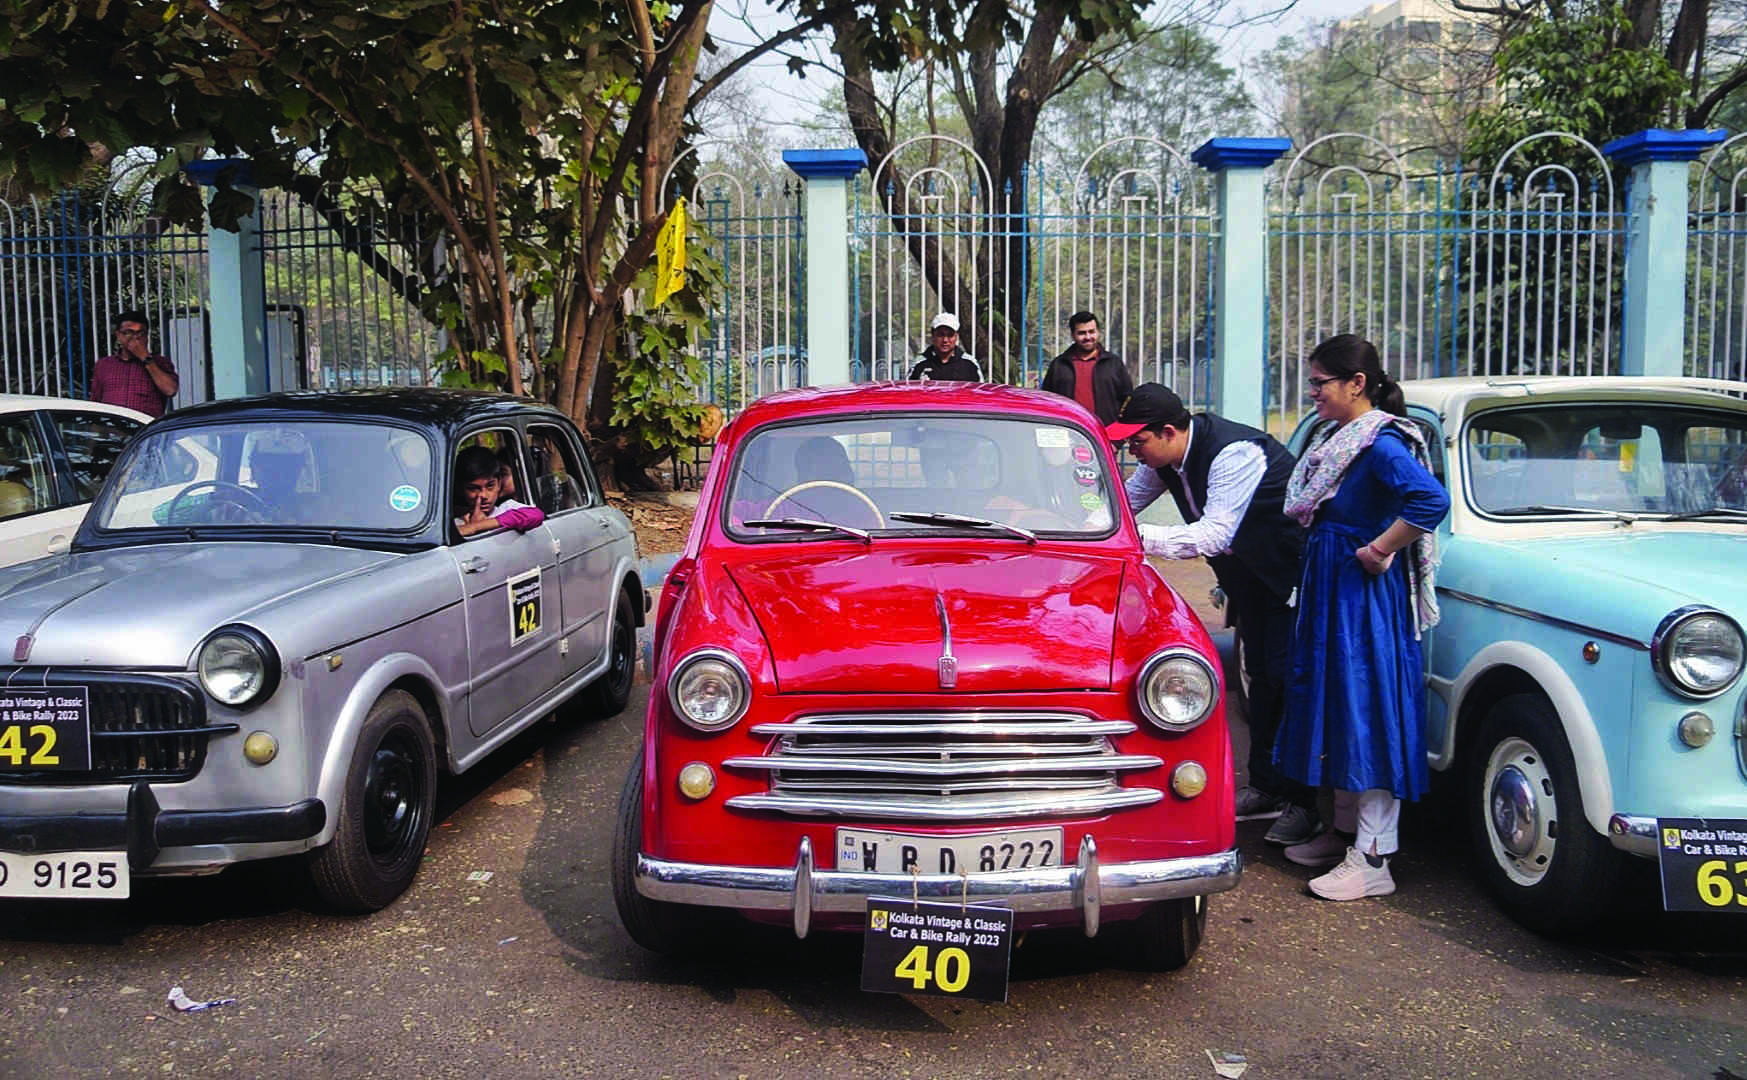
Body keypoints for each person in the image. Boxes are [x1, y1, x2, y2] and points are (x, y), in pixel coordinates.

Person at [1274, 334, 1449, 902]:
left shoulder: (1381, 445)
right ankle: (1343, 832)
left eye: (1322, 382)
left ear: (1357, 384)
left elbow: (1429, 501)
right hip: (1335, 595)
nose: (1314, 392)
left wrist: (1379, 549)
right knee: (1336, 709)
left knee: (1366, 712)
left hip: (1362, 604)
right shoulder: (1341, 440)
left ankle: (1374, 857)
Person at [1105, 384, 1316, 846]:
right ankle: (1266, 785)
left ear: (1166, 432)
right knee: (1259, 680)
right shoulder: (1167, 460)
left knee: (1290, 683)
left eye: (1136, 442)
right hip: (1250, 582)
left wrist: (1136, 538)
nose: (1131, 452)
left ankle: (1305, 802)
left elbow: (1215, 533)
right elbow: (1120, 503)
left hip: (1290, 579)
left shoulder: (1231, 452)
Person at [1040, 311, 1133, 426]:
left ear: (1098, 332)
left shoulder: (1114, 364)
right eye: (1082, 333)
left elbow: (1128, 400)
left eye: (1091, 332)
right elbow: (1047, 401)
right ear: (1073, 335)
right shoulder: (1059, 365)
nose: (1088, 337)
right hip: (1068, 432)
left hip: (1106, 435)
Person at [90, 310, 179, 418]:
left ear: (147, 335)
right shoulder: (104, 365)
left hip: (146, 430)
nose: (135, 337)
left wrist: (145, 358)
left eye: (141, 333)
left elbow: (170, 390)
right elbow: (95, 403)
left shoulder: (160, 362)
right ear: (118, 335)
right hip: (113, 430)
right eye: (128, 332)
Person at [454, 445, 545, 537]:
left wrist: (476, 526)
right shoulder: (456, 524)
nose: (483, 495)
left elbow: (536, 515)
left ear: (499, 483)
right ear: (460, 489)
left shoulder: (507, 509)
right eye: (473, 488)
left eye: (490, 486)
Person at [907, 313, 982, 382]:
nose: (945, 340)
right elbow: (907, 392)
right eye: (941, 335)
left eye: (950, 335)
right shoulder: (919, 364)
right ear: (933, 336)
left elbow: (980, 392)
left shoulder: (970, 364)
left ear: (956, 337)